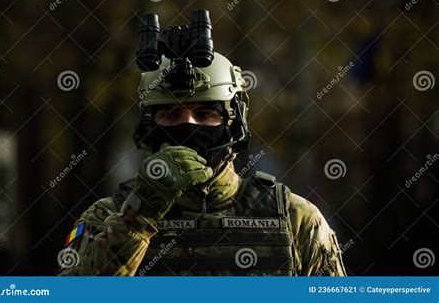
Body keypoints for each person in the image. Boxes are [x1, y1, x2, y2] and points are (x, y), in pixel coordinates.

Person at [58, 52, 347, 276]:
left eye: (205, 113)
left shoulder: (296, 219)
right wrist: (139, 215)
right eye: (171, 115)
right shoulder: (108, 217)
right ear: (150, 127)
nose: (189, 125)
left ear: (233, 124)